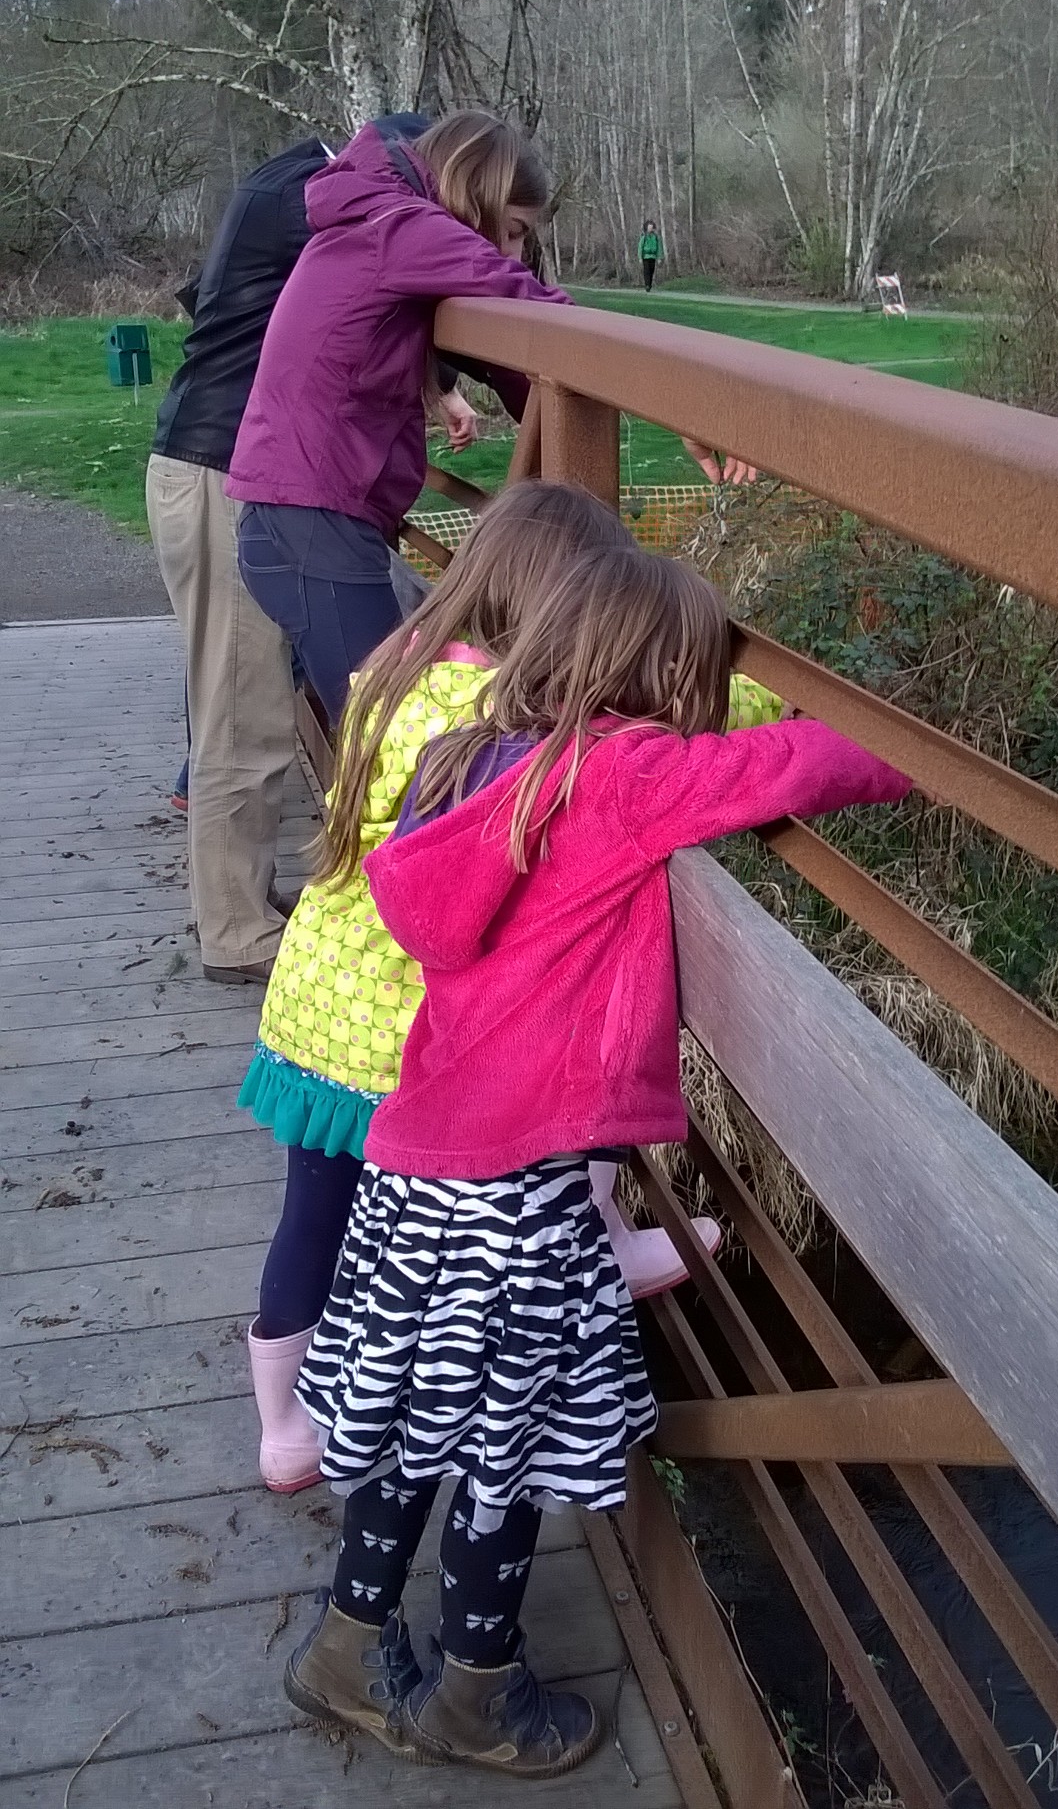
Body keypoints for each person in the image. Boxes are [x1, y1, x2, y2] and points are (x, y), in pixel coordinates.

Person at [280, 541, 912, 1775]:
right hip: (516, 1179)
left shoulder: (474, 757)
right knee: (503, 1445)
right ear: (650, 676)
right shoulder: (616, 775)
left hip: (417, 1159)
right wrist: (917, 758)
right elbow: (789, 759)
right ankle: (476, 1689)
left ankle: (347, 1647)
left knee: (421, 1420)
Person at [238, 482, 780, 1495]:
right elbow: (661, 741)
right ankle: (590, 1248)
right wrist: (756, 692)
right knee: (559, 1088)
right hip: (401, 1029)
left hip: (312, 1011)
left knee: (311, 1216)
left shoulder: (392, 669)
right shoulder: (508, 710)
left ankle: (284, 1428)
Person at [228, 110, 737, 723]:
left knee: (390, 737)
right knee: (394, 738)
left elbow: (510, 351)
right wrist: (687, 404)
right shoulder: (405, 227)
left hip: (306, 515)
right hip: (315, 524)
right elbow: (536, 309)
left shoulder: (380, 217)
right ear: (480, 196)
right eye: (516, 229)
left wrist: (554, 420)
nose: (517, 252)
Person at [147, 117, 471, 984]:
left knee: (253, 699)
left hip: (229, 469)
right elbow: (393, 279)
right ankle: (234, 932)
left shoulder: (297, 188)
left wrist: (435, 384)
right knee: (241, 713)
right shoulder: (311, 203)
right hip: (220, 472)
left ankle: (245, 901)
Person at [639, 218, 663, 291]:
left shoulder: (655, 237)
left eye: (651, 227)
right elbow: (640, 247)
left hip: (653, 256)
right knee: (646, 271)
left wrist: (659, 257)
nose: (650, 229)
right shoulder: (644, 237)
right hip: (646, 256)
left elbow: (659, 247)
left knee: (651, 271)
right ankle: (647, 285)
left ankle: (650, 284)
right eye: (649, 227)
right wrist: (640, 257)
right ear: (647, 228)